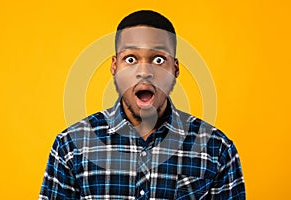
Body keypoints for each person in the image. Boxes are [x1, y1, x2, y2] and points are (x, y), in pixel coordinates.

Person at [39, 10, 245, 199]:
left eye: (158, 60)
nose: (144, 71)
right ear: (114, 66)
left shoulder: (217, 149)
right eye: (130, 59)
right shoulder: (71, 145)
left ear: (175, 69)